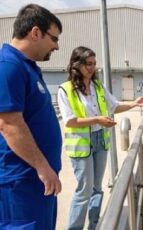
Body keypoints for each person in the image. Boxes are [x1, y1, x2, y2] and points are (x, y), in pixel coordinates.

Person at [58, 46, 143, 230]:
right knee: (84, 190)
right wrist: (98, 119)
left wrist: (133, 103)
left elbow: (114, 106)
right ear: (77, 65)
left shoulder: (97, 86)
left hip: (100, 141)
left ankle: (94, 225)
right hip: (82, 145)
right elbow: (70, 121)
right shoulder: (66, 90)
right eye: (87, 64)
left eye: (94, 64)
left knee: (97, 189)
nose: (92, 68)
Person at [0, 4, 63, 230]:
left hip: (37, 180)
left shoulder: (27, 67)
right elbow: (9, 125)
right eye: (54, 39)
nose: (56, 46)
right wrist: (43, 168)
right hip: (22, 182)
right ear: (35, 33)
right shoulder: (9, 66)